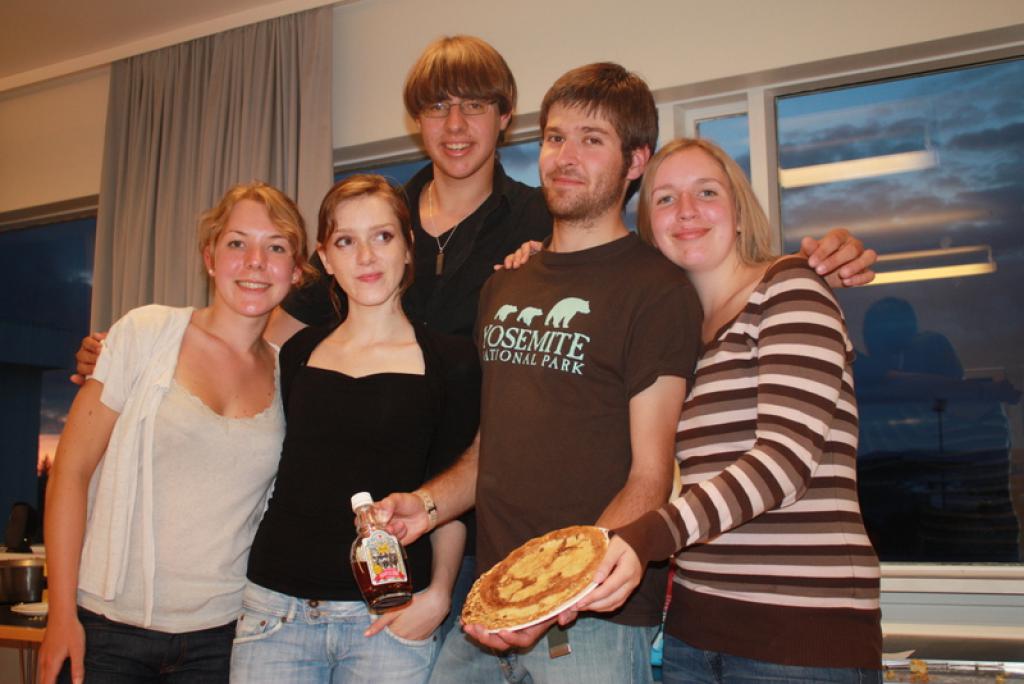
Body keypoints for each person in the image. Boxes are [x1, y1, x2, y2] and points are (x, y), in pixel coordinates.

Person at [377, 62, 701, 684]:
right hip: (491, 602)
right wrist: (426, 507)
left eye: (592, 139)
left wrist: (554, 594)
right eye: (555, 137)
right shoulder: (504, 285)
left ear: (636, 161)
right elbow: (489, 451)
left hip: (594, 619)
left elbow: (651, 477)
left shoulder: (657, 289)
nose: (565, 157)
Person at [575, 138, 883, 682]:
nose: (686, 210)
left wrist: (646, 535)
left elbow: (783, 463)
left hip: (799, 642)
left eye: (707, 192)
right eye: (665, 199)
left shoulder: (790, 289)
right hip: (693, 637)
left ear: (739, 214)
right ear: (650, 229)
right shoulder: (681, 338)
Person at [37, 182, 315, 684]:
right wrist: (61, 613)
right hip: (106, 630)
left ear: (295, 271)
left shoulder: (289, 374)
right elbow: (70, 473)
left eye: (275, 247)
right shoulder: (145, 333)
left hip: (225, 637)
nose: (255, 261)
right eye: (237, 243)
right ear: (210, 257)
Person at [228, 175, 480, 683]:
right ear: (325, 258)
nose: (366, 256)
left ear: (408, 247)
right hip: (276, 612)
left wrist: (438, 594)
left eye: (382, 236)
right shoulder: (297, 354)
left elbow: (452, 496)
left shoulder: (451, 360)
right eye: (346, 241)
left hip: (390, 619)